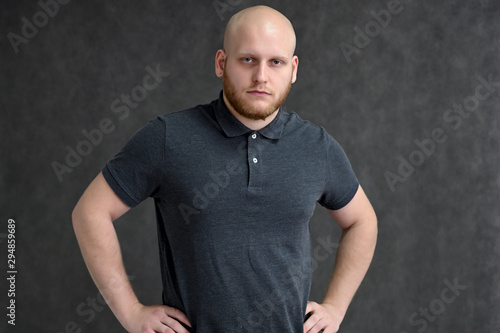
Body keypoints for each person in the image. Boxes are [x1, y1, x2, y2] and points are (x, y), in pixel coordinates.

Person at [72, 5, 377, 333]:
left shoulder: (317, 147)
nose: (261, 76)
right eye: (248, 59)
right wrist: (131, 313)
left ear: (293, 69)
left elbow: (363, 221)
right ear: (221, 62)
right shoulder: (168, 138)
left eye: (276, 62)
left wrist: (334, 308)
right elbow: (90, 212)